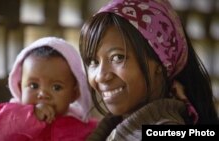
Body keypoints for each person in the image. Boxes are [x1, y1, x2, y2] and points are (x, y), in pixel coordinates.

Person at [79, 0, 219, 140]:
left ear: (160, 63)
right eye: (93, 61)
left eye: (118, 57)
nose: (101, 76)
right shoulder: (111, 128)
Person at [0, 37, 97, 141]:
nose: (43, 94)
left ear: (74, 94)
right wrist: (32, 115)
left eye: (56, 87)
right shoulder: (9, 116)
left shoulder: (81, 126)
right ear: (20, 88)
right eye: (34, 86)